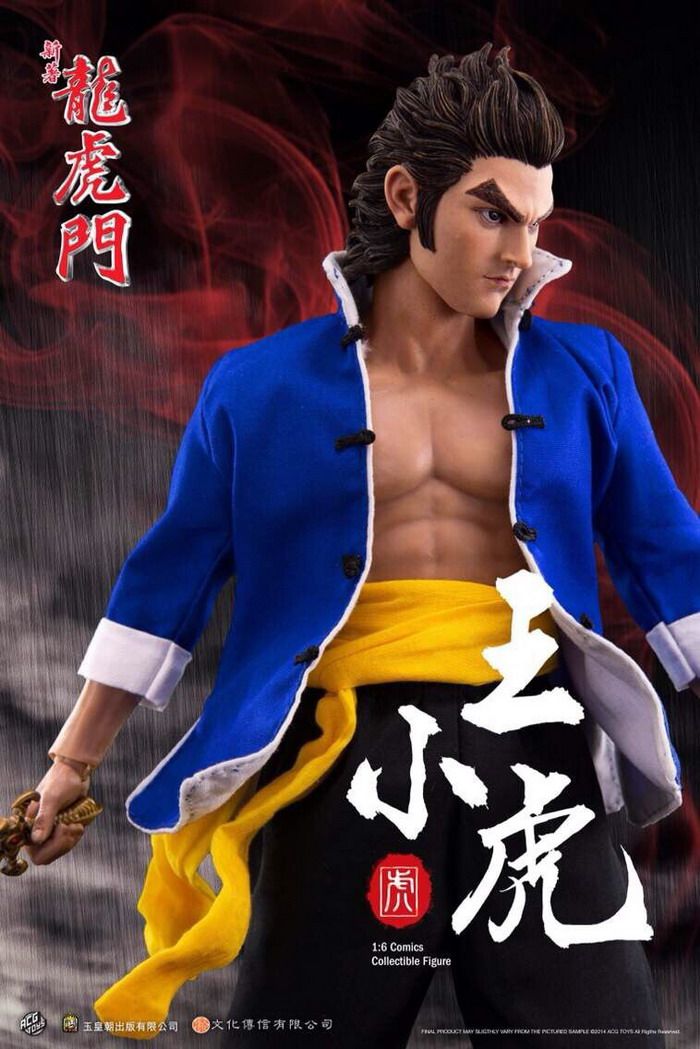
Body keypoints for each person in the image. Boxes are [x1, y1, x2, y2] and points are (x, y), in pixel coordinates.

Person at [25, 45, 699, 1046]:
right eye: (491, 213)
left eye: (535, 221)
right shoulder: (261, 387)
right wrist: (70, 764)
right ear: (406, 197)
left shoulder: (582, 372)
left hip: (536, 746)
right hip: (346, 754)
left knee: (597, 1032)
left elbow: (667, 552)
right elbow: (167, 579)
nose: (519, 250)